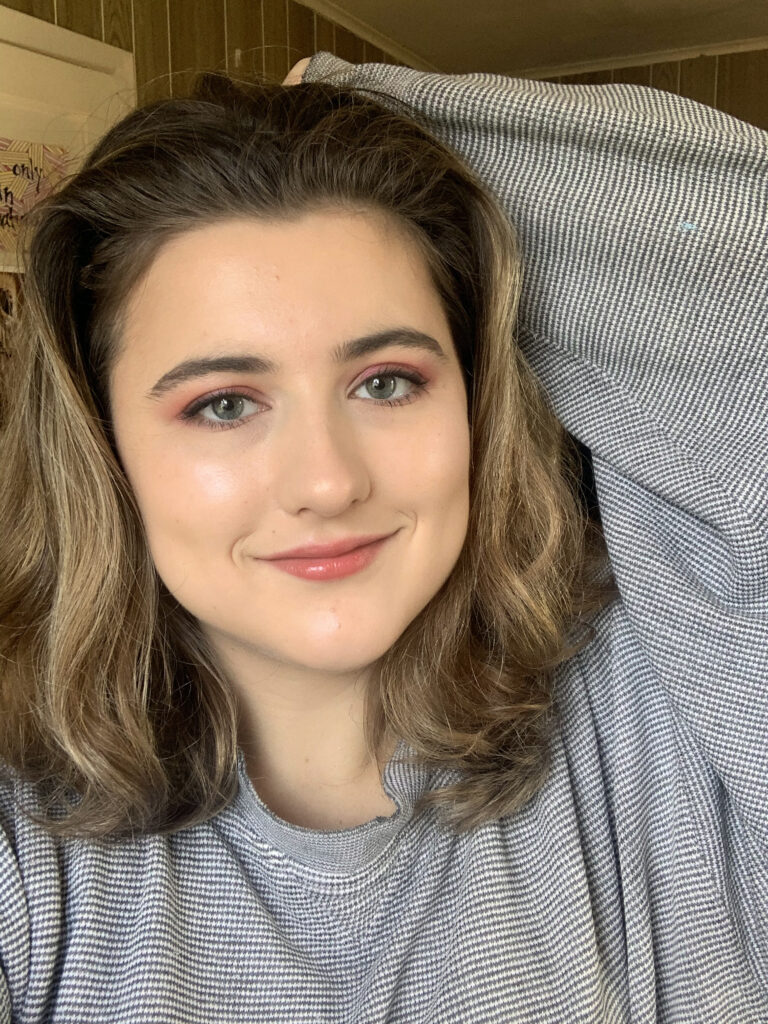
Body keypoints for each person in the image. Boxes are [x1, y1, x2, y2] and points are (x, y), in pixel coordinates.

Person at [0, 51, 764, 1024]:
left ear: (477, 397)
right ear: (103, 448)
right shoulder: (27, 861)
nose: (327, 480)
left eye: (387, 381)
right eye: (225, 403)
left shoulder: (670, 708)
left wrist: (352, 99)